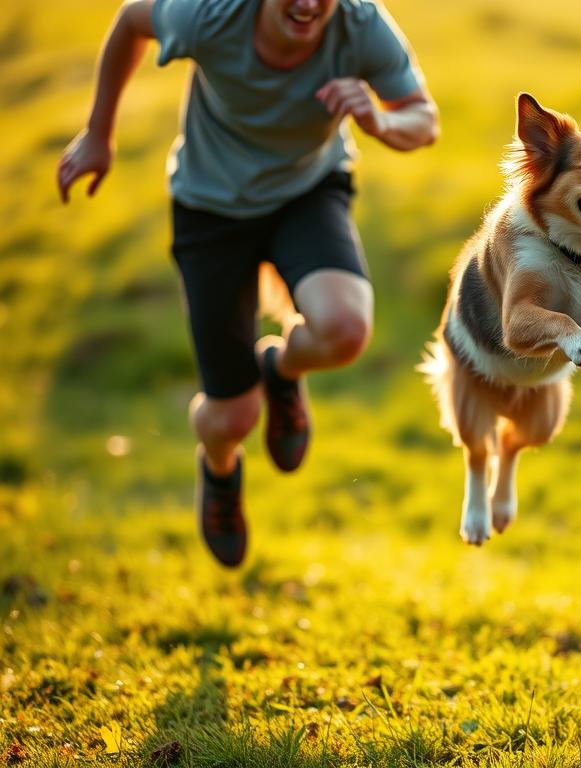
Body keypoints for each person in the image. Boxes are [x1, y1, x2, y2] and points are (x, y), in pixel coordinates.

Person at [57, 0, 439, 567]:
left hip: (306, 192)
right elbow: (131, 22)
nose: (308, 5)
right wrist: (98, 133)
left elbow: (424, 120)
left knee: (345, 328)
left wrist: (380, 121)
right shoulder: (209, 16)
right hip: (210, 209)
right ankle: (218, 471)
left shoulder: (360, 24)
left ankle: (280, 371)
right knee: (233, 417)